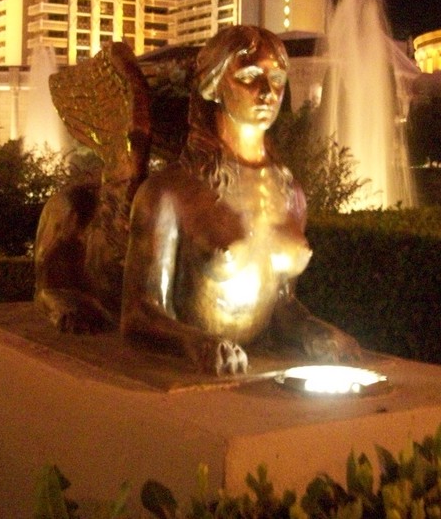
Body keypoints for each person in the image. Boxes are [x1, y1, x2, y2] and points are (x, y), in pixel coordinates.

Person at [120, 26, 362, 375]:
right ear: (213, 86)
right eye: (249, 77)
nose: (267, 92)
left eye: (276, 79)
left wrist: (314, 330)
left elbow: (282, 305)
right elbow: (140, 312)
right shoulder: (169, 192)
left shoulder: (291, 194)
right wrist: (197, 344)